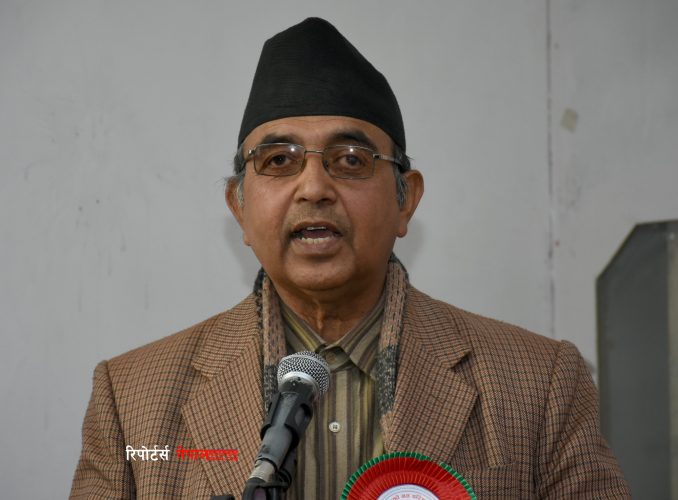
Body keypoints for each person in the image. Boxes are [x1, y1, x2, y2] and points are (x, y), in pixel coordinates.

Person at [70, 17, 630, 499]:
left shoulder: (540, 384)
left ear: (406, 199)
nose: (314, 187)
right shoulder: (132, 399)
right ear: (239, 207)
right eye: (279, 160)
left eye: (351, 160)